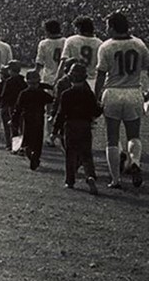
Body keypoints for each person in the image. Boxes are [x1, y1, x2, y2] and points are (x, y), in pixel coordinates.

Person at [95, 12, 149, 189]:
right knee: (134, 135)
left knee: (112, 137)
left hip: (113, 92)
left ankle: (116, 179)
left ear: (112, 26)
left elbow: (101, 75)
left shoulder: (106, 46)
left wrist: (96, 97)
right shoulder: (139, 44)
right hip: (134, 91)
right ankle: (134, 162)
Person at [52, 63, 101, 194]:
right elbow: (95, 111)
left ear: (71, 78)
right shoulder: (88, 94)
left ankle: (70, 180)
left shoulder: (66, 94)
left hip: (70, 125)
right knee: (86, 153)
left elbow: (61, 114)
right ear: (85, 77)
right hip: (85, 125)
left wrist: (55, 131)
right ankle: (90, 175)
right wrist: (101, 107)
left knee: (70, 154)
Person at [11, 70, 54, 171]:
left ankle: (31, 155)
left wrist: (14, 120)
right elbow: (51, 99)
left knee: (27, 139)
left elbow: (17, 108)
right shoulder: (41, 93)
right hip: (38, 118)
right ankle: (35, 157)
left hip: (27, 118)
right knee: (38, 140)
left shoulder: (24, 93)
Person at [35, 19, 66, 145]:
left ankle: (49, 137)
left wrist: (35, 77)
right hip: (63, 78)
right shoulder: (66, 41)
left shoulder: (44, 43)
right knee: (63, 108)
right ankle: (60, 134)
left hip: (48, 78)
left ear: (47, 30)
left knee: (49, 108)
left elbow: (39, 63)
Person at [57, 16, 102, 90]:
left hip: (74, 81)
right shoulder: (99, 43)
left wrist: (58, 78)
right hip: (93, 81)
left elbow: (63, 62)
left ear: (79, 28)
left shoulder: (71, 40)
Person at [0, 60, 27, 151]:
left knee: (13, 127)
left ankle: (14, 147)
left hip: (11, 106)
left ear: (11, 70)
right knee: (22, 127)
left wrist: (2, 104)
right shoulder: (23, 81)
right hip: (22, 106)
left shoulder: (9, 81)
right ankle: (22, 146)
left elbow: (4, 95)